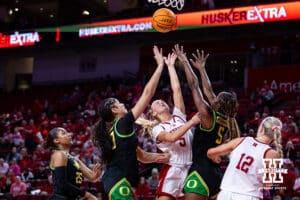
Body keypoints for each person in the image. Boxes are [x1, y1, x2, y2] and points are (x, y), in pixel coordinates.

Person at [92, 46, 170, 200]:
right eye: (119, 103)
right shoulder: (122, 123)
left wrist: (163, 157)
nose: (123, 105)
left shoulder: (118, 130)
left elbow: (141, 156)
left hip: (115, 182)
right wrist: (160, 66)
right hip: (118, 182)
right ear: (114, 110)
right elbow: (147, 94)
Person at [173, 44, 240, 200]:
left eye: (217, 98)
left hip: (200, 171)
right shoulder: (229, 121)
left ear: (219, 103)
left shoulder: (208, 115)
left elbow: (194, 86)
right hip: (216, 175)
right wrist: (202, 69)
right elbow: (209, 92)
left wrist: (185, 62)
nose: (214, 97)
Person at [146, 52, 200, 199]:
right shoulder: (157, 129)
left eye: (162, 101)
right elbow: (171, 137)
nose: (161, 102)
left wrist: (171, 66)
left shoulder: (179, 116)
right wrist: (191, 122)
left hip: (190, 167)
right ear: (154, 114)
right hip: (173, 168)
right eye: (156, 103)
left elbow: (176, 90)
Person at [207, 116, 283, 200]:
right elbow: (268, 184)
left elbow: (211, 152)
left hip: (226, 194)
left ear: (261, 128)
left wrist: (215, 158)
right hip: (249, 195)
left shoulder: (241, 141)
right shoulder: (272, 154)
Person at [45, 127, 101, 200]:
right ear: (56, 140)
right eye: (64, 133)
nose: (70, 134)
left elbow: (92, 177)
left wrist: (97, 174)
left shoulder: (75, 159)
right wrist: (87, 194)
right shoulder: (59, 154)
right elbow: (61, 183)